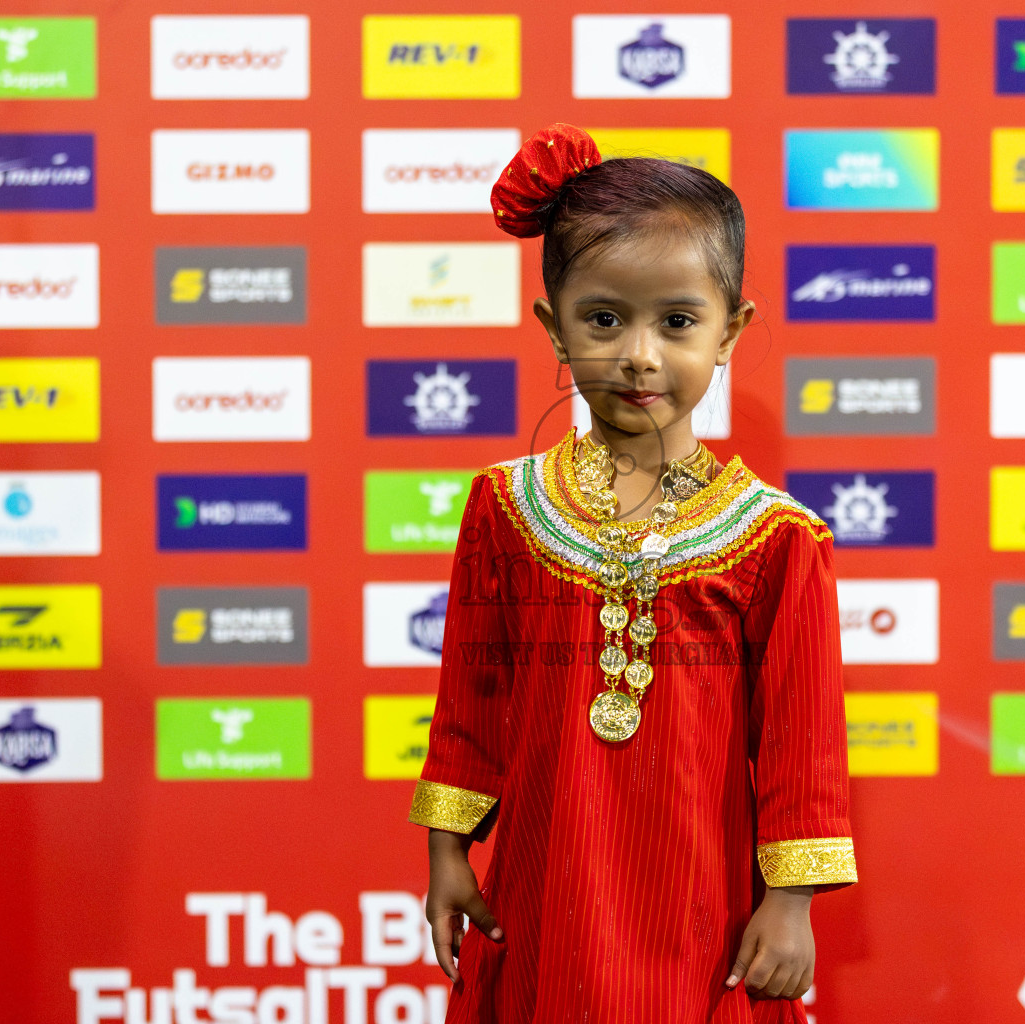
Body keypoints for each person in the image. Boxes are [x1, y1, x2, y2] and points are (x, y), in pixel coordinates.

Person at [406, 123, 856, 1023]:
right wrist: (448, 851)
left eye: (677, 322)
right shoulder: (506, 505)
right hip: (542, 888)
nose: (639, 354)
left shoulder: (775, 537)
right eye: (603, 318)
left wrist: (791, 900)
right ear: (552, 325)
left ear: (731, 332)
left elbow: (803, 743)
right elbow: (471, 694)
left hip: (703, 903)